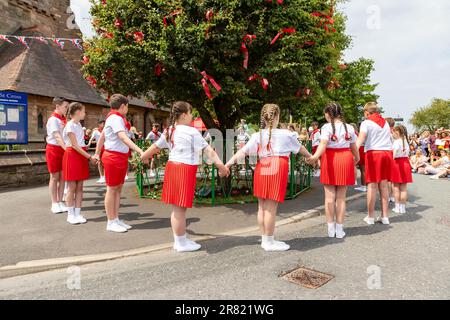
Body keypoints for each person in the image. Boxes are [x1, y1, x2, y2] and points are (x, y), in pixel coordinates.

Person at [141, 101, 229, 252]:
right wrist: (221, 166)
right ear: (183, 115)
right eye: (190, 113)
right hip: (185, 169)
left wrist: (144, 155)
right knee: (180, 210)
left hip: (172, 167)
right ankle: (180, 243)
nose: (192, 116)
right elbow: (209, 151)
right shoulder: (192, 131)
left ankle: (180, 239)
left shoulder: (169, 130)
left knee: (177, 208)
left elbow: (155, 147)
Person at [226, 104, 313, 251]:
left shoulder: (256, 135)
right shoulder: (286, 134)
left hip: (262, 167)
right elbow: (300, 149)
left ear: (263, 118)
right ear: (277, 116)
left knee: (262, 207)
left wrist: (227, 164)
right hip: (277, 167)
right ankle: (269, 242)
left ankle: (265, 240)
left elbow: (243, 152)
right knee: (271, 209)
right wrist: (312, 157)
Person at [93, 94, 144, 233]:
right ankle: (111, 221)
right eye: (127, 106)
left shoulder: (114, 118)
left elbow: (102, 137)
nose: (128, 109)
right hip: (114, 157)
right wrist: (140, 151)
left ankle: (115, 218)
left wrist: (97, 153)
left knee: (118, 189)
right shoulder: (115, 118)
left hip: (119, 157)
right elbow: (122, 137)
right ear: (123, 106)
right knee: (112, 189)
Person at [307, 103, 359, 238]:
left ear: (329, 114)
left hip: (330, 159)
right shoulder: (349, 128)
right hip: (345, 159)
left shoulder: (326, 127)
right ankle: (340, 229)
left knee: (329, 198)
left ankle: (330, 228)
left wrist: (314, 157)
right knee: (341, 198)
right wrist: (357, 159)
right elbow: (354, 147)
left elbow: (323, 144)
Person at [356, 102, 393, 225]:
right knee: (384, 186)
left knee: (372, 186)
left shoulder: (366, 123)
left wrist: (353, 153)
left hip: (374, 154)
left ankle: (370, 216)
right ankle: (385, 216)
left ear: (367, 112)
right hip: (387, 153)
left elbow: (360, 139)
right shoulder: (386, 123)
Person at [63, 102, 98, 224]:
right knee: (71, 187)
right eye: (83, 111)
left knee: (80, 187)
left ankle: (77, 213)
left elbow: (80, 144)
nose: (85, 113)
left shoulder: (78, 125)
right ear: (77, 112)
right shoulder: (70, 125)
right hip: (72, 155)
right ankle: (70, 214)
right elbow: (74, 145)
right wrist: (89, 157)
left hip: (81, 155)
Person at [45, 97, 70, 214]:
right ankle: (54, 203)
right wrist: (67, 150)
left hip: (62, 149)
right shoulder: (53, 120)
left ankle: (60, 201)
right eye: (65, 107)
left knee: (63, 176)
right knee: (54, 177)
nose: (67, 109)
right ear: (58, 106)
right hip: (54, 149)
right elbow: (57, 137)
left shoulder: (62, 119)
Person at [391, 125, 413, 214]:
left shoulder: (396, 142)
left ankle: (397, 207)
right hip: (405, 163)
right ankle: (403, 208)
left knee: (396, 187)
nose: (392, 134)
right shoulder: (406, 141)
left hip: (397, 163)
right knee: (403, 188)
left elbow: (394, 155)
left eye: (393, 132)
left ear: (397, 132)